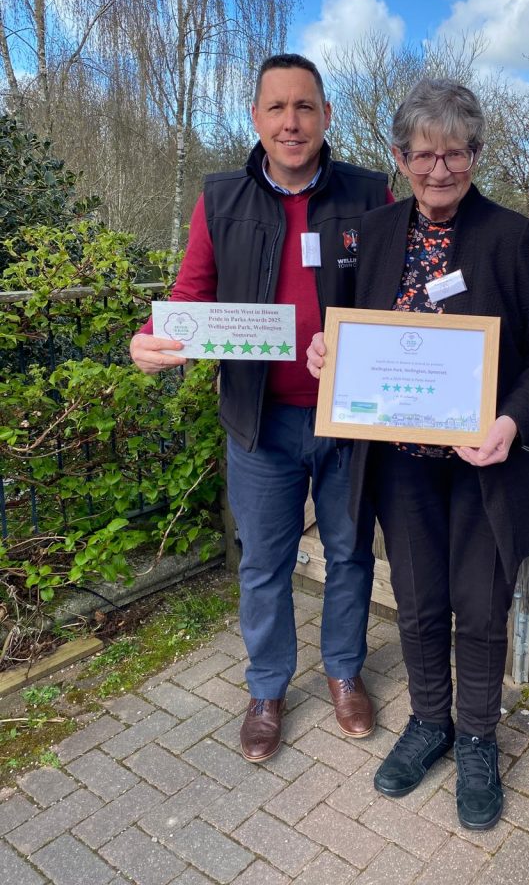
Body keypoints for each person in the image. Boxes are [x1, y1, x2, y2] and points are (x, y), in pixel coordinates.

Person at [307, 78, 529, 830]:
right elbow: (349, 330)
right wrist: (330, 350)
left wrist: (514, 422)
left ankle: (480, 738)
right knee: (419, 601)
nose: (439, 171)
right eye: (424, 155)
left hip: (485, 463)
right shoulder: (375, 232)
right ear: (399, 157)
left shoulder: (510, 235)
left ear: (476, 154)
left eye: (455, 154)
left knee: (483, 607)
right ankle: (430, 724)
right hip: (399, 462)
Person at [130, 53, 391, 763]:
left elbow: (395, 298)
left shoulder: (373, 194)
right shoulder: (220, 199)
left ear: (326, 116)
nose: (291, 121)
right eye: (276, 108)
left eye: (304, 107)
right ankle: (268, 689)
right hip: (259, 423)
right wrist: (153, 340)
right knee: (264, 564)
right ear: (255, 119)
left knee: (349, 555)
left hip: (350, 418)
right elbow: (190, 297)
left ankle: (343, 673)